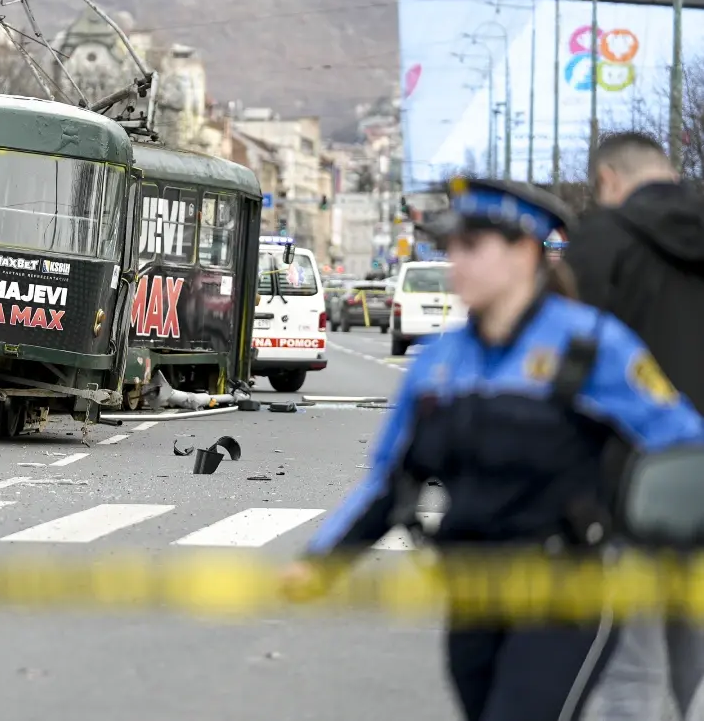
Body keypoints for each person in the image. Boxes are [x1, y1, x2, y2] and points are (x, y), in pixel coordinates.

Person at [279, 177, 704, 721]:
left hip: (567, 590)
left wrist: (655, 534)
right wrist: (322, 564)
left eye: (472, 246)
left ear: (526, 252)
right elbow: (389, 480)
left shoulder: (590, 347)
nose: (456, 261)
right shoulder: (439, 361)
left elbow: (683, 446)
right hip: (474, 589)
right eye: (451, 246)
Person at [563, 132, 704, 721]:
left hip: (634, 486)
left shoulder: (600, 243)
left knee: (632, 668)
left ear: (608, 180)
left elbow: (565, 365)